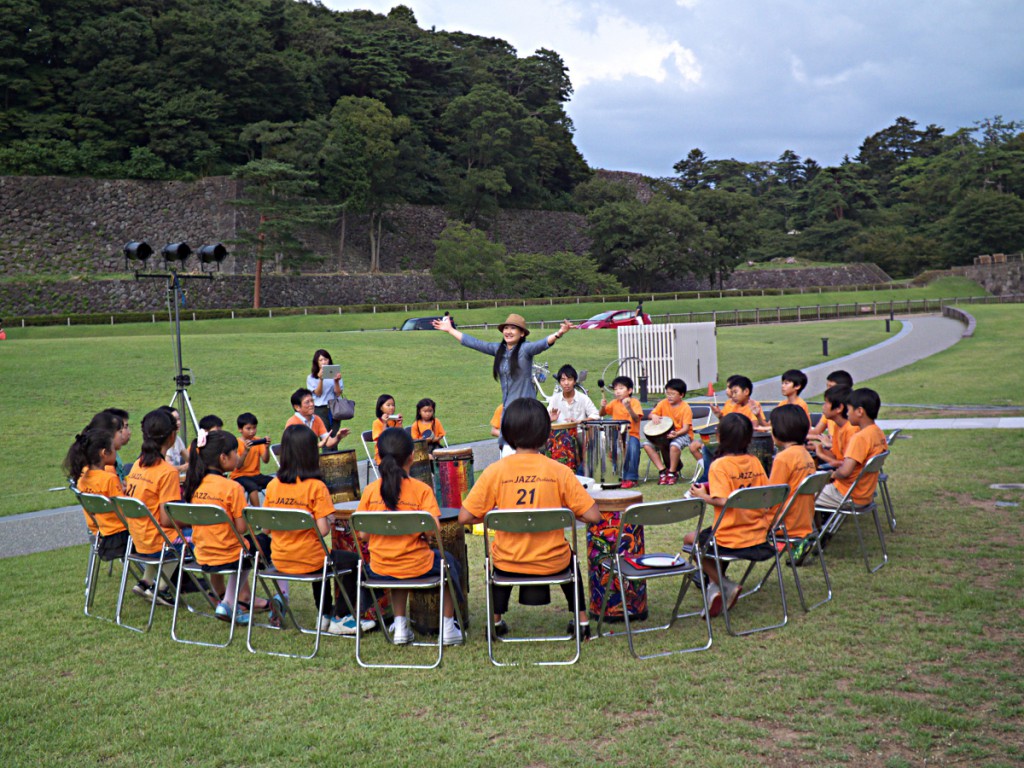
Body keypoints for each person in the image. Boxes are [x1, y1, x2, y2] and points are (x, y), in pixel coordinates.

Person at [459, 398, 602, 639]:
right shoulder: (559, 471)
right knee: (570, 557)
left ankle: (495, 623)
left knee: (499, 560)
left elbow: (465, 516)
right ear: (546, 432)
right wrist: (566, 511)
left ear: (507, 433)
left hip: (508, 562)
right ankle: (582, 622)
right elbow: (593, 515)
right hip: (553, 561)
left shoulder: (495, 471)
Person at [356, 427, 464, 646]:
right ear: (412, 456)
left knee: (397, 568)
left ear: (380, 456)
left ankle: (401, 626)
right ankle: (448, 627)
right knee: (450, 562)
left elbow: (363, 535)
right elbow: (432, 532)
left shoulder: (370, 490)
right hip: (417, 565)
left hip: (380, 568)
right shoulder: (421, 490)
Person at [263, 424, 374, 636]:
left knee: (322, 556)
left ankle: (323, 614)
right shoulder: (315, 486)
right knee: (353, 561)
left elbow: (266, 528)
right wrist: (326, 517)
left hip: (281, 560)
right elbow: (323, 531)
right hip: (310, 561)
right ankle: (342, 617)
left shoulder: (273, 485)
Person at [686, 413, 771, 616]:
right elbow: (767, 494)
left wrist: (702, 495)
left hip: (731, 536)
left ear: (720, 436)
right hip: (758, 534)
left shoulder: (719, 465)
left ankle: (724, 585)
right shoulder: (754, 462)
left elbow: (724, 500)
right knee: (706, 538)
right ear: (749, 438)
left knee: (692, 541)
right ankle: (714, 587)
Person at [182, 429, 270, 623]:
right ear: (223, 458)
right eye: (235, 453)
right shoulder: (232, 487)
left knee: (245, 547)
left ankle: (224, 597)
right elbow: (241, 528)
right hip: (227, 554)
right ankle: (230, 602)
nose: (238, 456)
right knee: (261, 543)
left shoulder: (194, 483)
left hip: (202, 552)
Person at [431, 313, 572, 408]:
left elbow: (542, 343)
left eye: (513, 328)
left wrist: (559, 333)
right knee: (505, 446)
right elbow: (474, 342)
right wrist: (450, 330)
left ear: (522, 333)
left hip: (526, 410)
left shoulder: (525, 349)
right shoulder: (499, 349)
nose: (508, 331)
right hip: (508, 409)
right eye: (506, 328)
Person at [124, 408, 183, 606]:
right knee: (191, 537)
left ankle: (145, 581)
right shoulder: (167, 472)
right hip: (157, 543)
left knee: (165, 534)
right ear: (172, 436)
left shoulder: (137, 465)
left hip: (139, 540)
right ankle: (160, 588)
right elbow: (167, 520)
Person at [816, 388, 888, 514]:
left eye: (849, 410)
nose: (847, 414)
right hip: (865, 494)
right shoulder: (877, 433)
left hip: (847, 494)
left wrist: (831, 475)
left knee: (800, 495)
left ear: (860, 411)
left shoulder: (859, 437)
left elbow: (845, 471)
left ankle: (809, 531)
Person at [64, 428, 128, 559]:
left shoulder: (82, 478)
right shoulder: (109, 479)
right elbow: (124, 510)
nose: (116, 452)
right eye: (114, 449)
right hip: (121, 535)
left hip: (102, 534)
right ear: (104, 453)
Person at [767, 405, 817, 542]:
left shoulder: (783, 458)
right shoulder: (805, 454)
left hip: (782, 523)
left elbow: (771, 497)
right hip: (803, 521)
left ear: (779, 430)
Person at [642, 378, 700, 485]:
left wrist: (676, 434)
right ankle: (662, 471)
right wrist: (653, 416)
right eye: (667, 393)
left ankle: (672, 472)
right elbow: (650, 414)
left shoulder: (685, 408)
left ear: (681, 395)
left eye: (673, 394)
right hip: (663, 434)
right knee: (647, 445)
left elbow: (686, 428)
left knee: (674, 445)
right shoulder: (663, 403)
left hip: (681, 433)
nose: (669, 396)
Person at [599, 375, 643, 488]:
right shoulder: (614, 403)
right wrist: (602, 406)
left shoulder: (634, 402)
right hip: (617, 435)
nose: (617, 391)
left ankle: (631, 478)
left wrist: (629, 408)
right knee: (612, 449)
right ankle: (617, 476)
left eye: (621, 388)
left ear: (630, 390)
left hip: (632, 434)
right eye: (615, 389)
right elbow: (602, 414)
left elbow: (636, 419)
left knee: (632, 448)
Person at [230, 412, 274, 506]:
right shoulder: (236, 443)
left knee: (276, 482)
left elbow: (265, 460)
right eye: (248, 428)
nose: (252, 431)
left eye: (254, 428)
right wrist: (245, 451)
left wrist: (266, 447)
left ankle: (273, 507)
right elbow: (237, 466)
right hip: (239, 476)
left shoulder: (258, 441)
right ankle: (257, 513)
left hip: (256, 474)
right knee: (252, 488)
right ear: (240, 429)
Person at [809, 386, 855, 469]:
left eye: (826, 403)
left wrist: (821, 454)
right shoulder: (837, 426)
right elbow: (835, 455)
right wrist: (818, 448)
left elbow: (846, 466)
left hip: (846, 480)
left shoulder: (852, 430)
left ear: (839, 408)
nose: (823, 406)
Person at [808, 370, 854, 440]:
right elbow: (816, 432)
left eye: (831, 387)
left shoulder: (852, 422)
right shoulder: (829, 413)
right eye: (827, 386)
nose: (827, 390)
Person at [307, 349, 343, 434]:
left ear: (329, 360)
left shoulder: (335, 374)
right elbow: (318, 393)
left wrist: (337, 381)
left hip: (334, 408)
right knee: (325, 436)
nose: (323, 362)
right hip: (320, 408)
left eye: (325, 359)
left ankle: (334, 447)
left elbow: (338, 393)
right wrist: (321, 379)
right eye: (321, 360)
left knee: (334, 436)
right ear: (317, 362)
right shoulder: (311, 378)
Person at [158, 405, 189, 475]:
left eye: (178, 419)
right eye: (174, 420)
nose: (178, 423)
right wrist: (183, 467)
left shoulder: (177, 439)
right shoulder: (162, 442)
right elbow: (166, 468)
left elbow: (190, 459)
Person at [371, 394, 402, 462]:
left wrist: (400, 424)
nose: (391, 407)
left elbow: (401, 437)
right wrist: (384, 423)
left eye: (393, 405)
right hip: (383, 455)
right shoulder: (377, 423)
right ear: (381, 407)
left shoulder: (395, 421)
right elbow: (382, 441)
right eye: (388, 405)